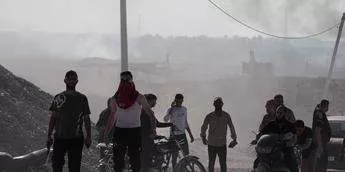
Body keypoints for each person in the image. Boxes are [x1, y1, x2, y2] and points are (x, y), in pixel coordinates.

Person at [104, 71, 156, 172]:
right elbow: (112, 116)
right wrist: (106, 133)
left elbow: (150, 114)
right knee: (118, 162)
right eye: (123, 79)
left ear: (131, 80)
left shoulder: (139, 97)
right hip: (120, 131)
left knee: (135, 161)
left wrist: (153, 129)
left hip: (135, 132)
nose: (125, 81)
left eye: (127, 79)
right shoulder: (115, 99)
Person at [46, 70, 92, 172]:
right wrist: (49, 135)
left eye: (73, 79)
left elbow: (86, 119)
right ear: (65, 80)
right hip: (60, 137)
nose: (71, 81)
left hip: (76, 138)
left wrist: (89, 137)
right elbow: (53, 117)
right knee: (57, 167)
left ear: (77, 81)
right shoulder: (59, 97)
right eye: (69, 79)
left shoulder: (82, 98)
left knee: (74, 168)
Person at [200, 97, 237, 172]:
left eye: (219, 103)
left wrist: (234, 139)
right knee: (211, 164)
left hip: (222, 144)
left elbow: (231, 126)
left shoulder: (226, 116)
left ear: (222, 104)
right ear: (214, 104)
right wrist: (203, 137)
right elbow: (204, 127)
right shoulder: (209, 116)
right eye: (216, 103)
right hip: (212, 144)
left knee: (223, 164)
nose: (218, 105)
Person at [259, 106, 298, 172]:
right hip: (271, 148)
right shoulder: (271, 124)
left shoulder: (290, 125)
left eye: (281, 112)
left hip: (285, 148)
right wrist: (258, 139)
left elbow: (295, 136)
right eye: (277, 112)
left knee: (291, 162)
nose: (279, 114)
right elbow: (262, 132)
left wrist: (290, 143)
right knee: (259, 160)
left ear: (284, 114)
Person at [141, 93, 173, 172]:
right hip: (144, 140)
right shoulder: (143, 112)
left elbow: (157, 124)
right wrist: (150, 135)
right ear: (148, 101)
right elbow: (142, 127)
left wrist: (171, 124)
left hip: (149, 139)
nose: (155, 103)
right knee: (146, 163)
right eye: (154, 101)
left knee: (158, 154)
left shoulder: (149, 112)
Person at [163, 94, 194, 169]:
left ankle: (183, 169)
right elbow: (165, 119)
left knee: (186, 155)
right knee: (174, 156)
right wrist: (171, 109)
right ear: (175, 100)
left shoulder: (184, 109)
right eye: (177, 101)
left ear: (182, 101)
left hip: (182, 135)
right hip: (173, 136)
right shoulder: (171, 109)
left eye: (180, 101)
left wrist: (190, 134)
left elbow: (185, 122)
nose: (179, 103)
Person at [312, 99, 331, 172]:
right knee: (320, 165)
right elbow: (317, 130)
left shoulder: (320, 113)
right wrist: (320, 146)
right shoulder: (319, 114)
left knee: (321, 164)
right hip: (320, 144)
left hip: (321, 143)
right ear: (326, 106)